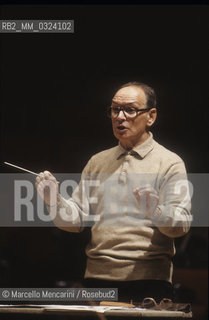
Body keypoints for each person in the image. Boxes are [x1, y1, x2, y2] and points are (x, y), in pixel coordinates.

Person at [35, 82, 191, 303]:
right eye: (115, 109)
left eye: (130, 109)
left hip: (149, 283)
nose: (120, 116)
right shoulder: (97, 162)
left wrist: (156, 211)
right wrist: (53, 201)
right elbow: (76, 220)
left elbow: (181, 225)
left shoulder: (170, 163)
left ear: (151, 116)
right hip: (97, 280)